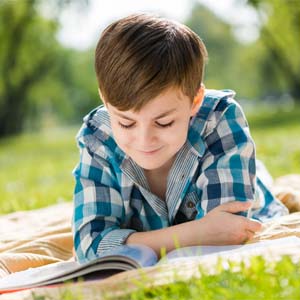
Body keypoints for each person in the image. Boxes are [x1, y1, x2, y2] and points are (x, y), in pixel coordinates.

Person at [72, 13, 288, 263]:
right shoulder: (97, 135)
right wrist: (196, 232)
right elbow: (88, 246)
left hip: (246, 186)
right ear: (104, 99)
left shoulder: (219, 118)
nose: (144, 140)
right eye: (126, 122)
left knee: (258, 179)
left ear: (195, 100)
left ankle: (258, 173)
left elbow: (229, 231)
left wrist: (134, 241)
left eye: (163, 122)